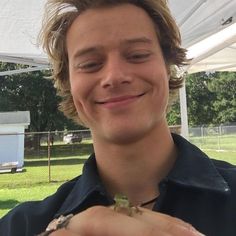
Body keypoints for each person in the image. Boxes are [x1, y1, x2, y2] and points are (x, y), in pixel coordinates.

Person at [0, 0, 236, 235]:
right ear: (68, 83)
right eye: (90, 64)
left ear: (168, 65)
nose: (114, 76)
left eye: (137, 55)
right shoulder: (19, 227)